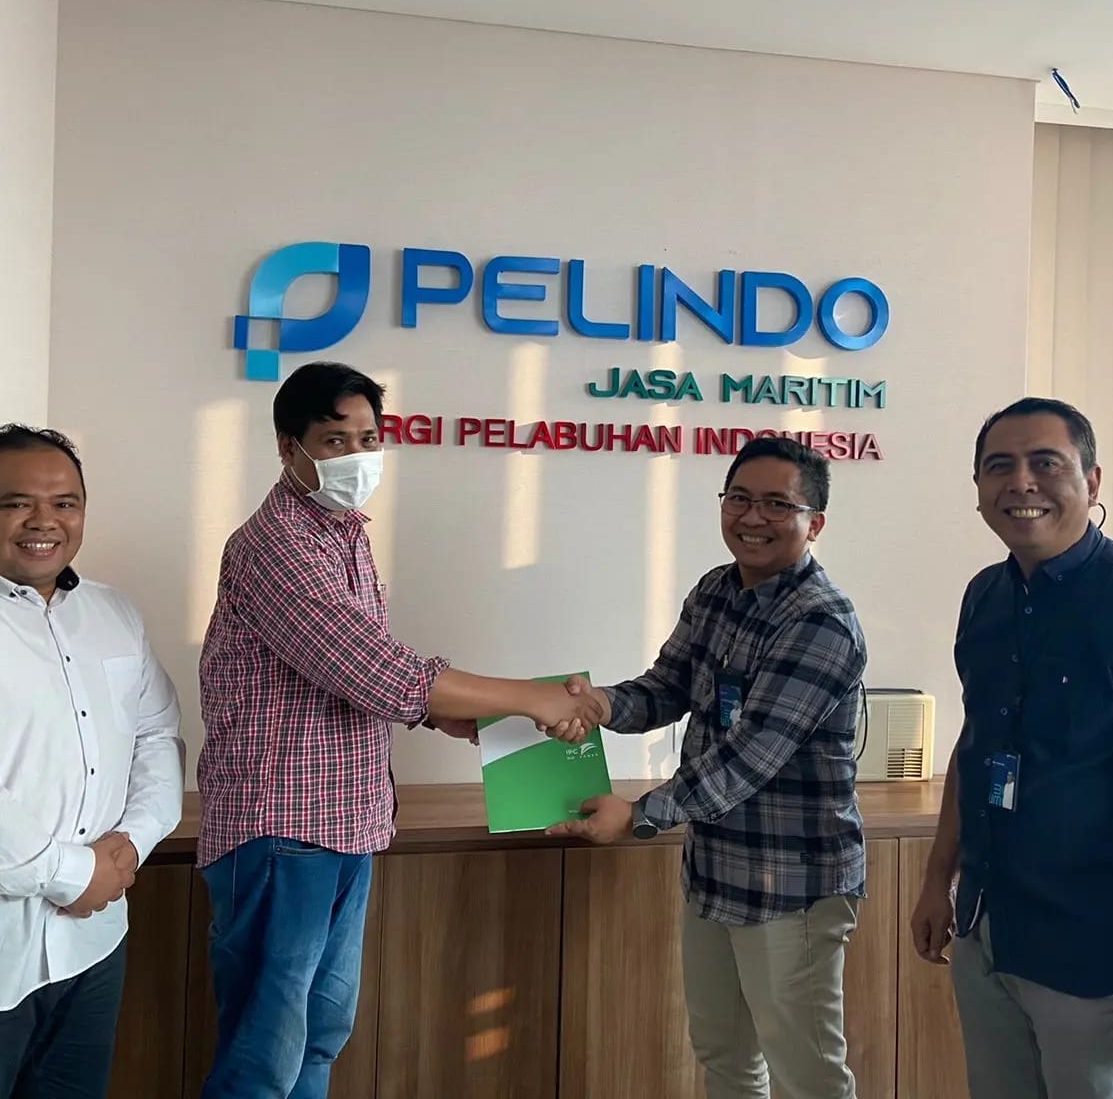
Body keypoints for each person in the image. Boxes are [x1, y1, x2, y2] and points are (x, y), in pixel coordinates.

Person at [196, 361, 604, 1099]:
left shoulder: (342, 532)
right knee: (263, 1053)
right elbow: (375, 669)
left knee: (319, 1035)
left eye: (368, 439)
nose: (357, 456)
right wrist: (533, 699)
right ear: (289, 447)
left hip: (347, 820)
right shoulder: (276, 545)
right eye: (335, 440)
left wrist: (455, 713)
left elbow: (356, 673)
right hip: (283, 827)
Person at [548, 436, 868, 1099]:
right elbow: (667, 687)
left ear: (815, 523)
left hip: (791, 886)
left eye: (777, 505)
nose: (752, 517)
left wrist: (640, 815)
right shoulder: (717, 590)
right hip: (716, 871)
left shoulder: (821, 622)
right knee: (725, 1057)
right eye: (739, 498)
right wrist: (598, 704)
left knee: (807, 1077)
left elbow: (749, 758)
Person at [910, 397, 1113, 1097]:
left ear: (1092, 481)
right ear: (979, 488)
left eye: (1046, 462)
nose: (1022, 482)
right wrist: (937, 878)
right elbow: (976, 742)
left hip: (1097, 954)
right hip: (989, 931)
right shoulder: (986, 597)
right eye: (999, 466)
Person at [0, 425, 184, 1099]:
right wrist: (72, 873)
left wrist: (132, 843)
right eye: (15, 503)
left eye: (65, 503)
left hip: (94, 943)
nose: (43, 521)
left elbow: (157, 735)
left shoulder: (113, 612)